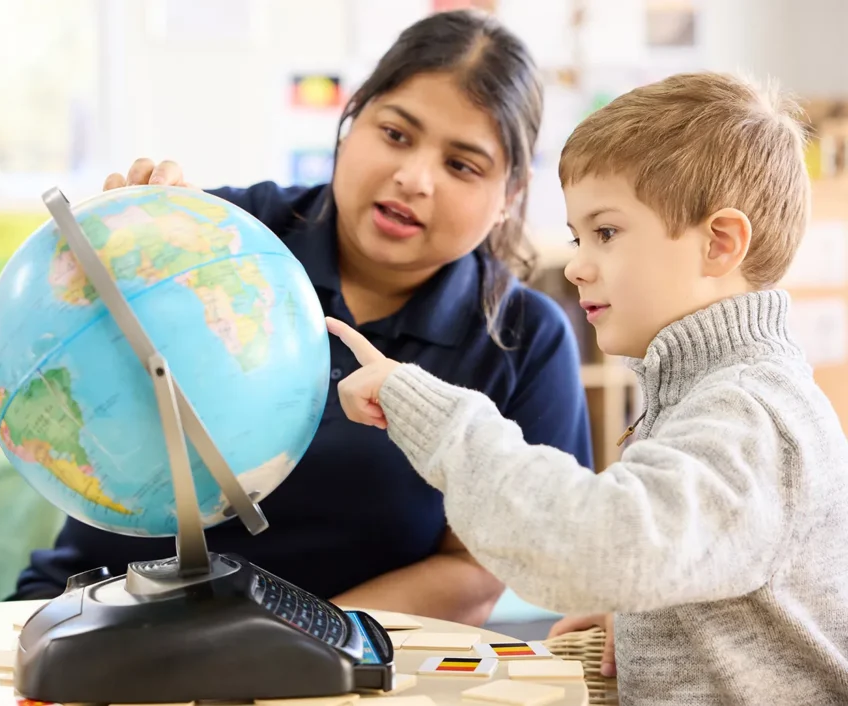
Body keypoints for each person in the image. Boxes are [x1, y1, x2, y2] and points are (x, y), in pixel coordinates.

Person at [0, 9, 592, 626]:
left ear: (510, 195)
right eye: (396, 134)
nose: (413, 178)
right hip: (92, 621)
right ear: (351, 122)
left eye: (461, 165)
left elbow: (477, 569)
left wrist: (303, 640)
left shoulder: (523, 338)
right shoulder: (218, 239)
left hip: (338, 658)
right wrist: (95, 249)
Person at [326, 71, 848, 704]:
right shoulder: (710, 393)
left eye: (606, 232)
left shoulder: (752, 414)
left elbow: (602, 545)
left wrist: (432, 414)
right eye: (578, 237)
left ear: (719, 244)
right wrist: (648, 616)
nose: (576, 265)